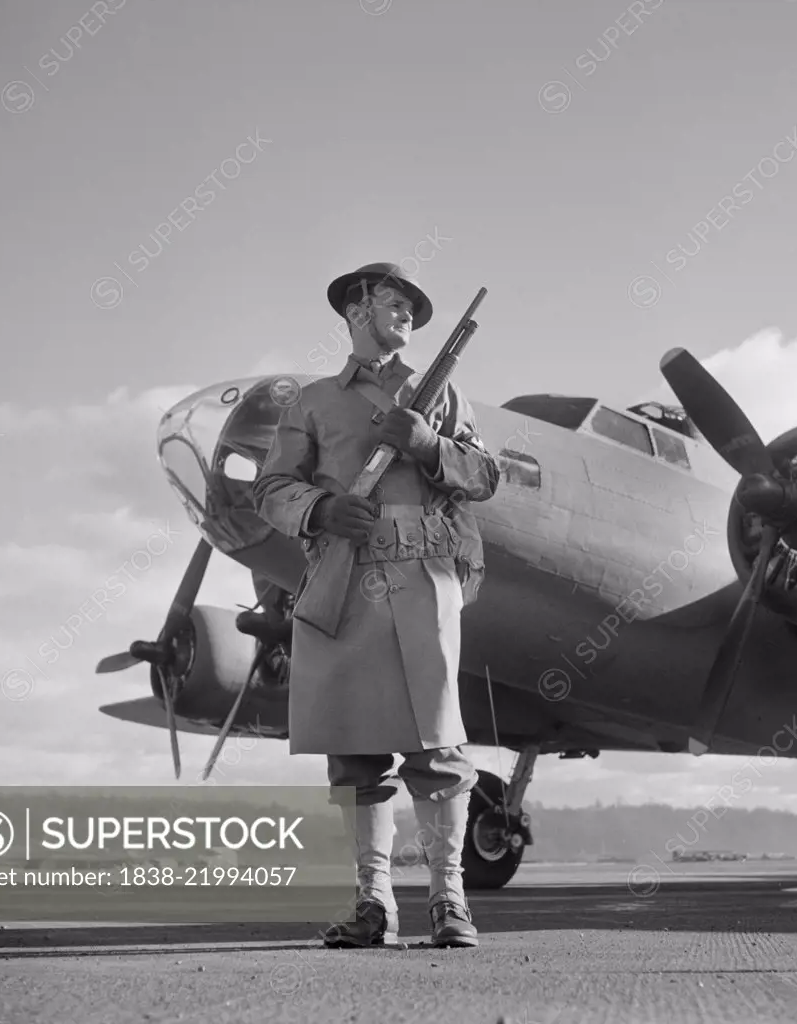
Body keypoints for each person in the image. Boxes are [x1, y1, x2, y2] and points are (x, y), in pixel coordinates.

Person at [252, 262, 499, 948]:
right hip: (345, 580)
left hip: (424, 581)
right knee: (355, 756)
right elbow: (270, 489)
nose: (409, 317)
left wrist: (427, 443)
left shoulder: (442, 396)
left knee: (439, 751)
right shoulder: (311, 403)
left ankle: (450, 903)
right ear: (357, 308)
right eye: (396, 303)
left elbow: (484, 477)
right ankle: (374, 908)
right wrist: (324, 508)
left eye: (416, 311)